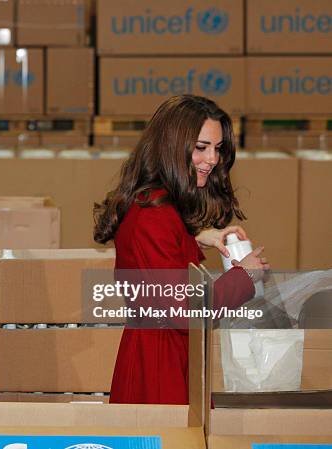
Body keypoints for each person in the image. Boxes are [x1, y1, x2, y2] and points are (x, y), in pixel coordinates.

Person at [93, 94, 270, 405]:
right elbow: (185, 312)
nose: (213, 159)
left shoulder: (156, 204)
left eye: (217, 149)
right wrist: (244, 276)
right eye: (201, 148)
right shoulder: (155, 215)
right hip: (160, 371)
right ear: (172, 145)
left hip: (161, 357)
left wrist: (197, 237)